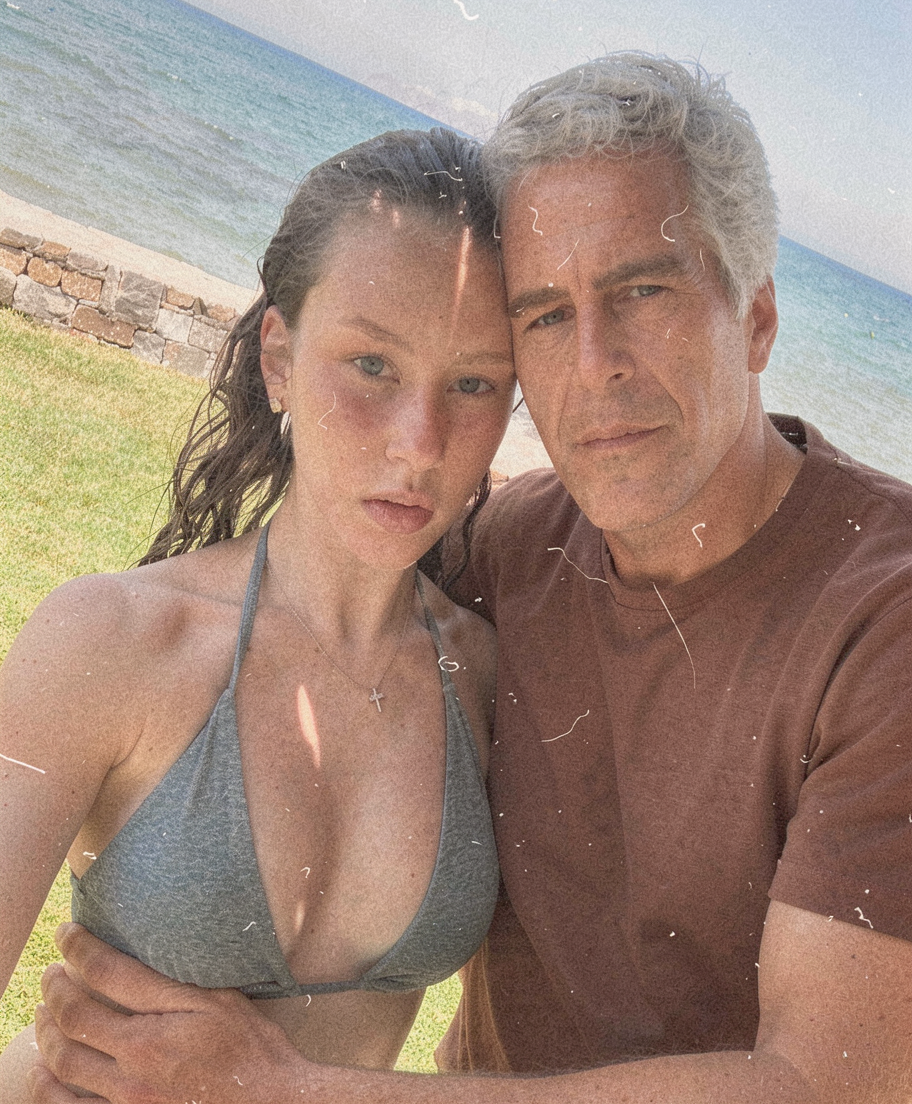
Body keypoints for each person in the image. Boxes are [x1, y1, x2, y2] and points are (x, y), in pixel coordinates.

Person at [29, 54, 912, 1103]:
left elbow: (827, 1084)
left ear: (757, 317)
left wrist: (278, 1088)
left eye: (643, 291)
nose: (593, 363)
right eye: (544, 314)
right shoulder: (515, 550)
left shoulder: (881, 612)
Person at [0, 127, 519, 1098]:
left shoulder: (487, 678)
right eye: (372, 364)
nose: (420, 441)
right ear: (279, 357)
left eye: (473, 382)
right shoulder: (114, 640)